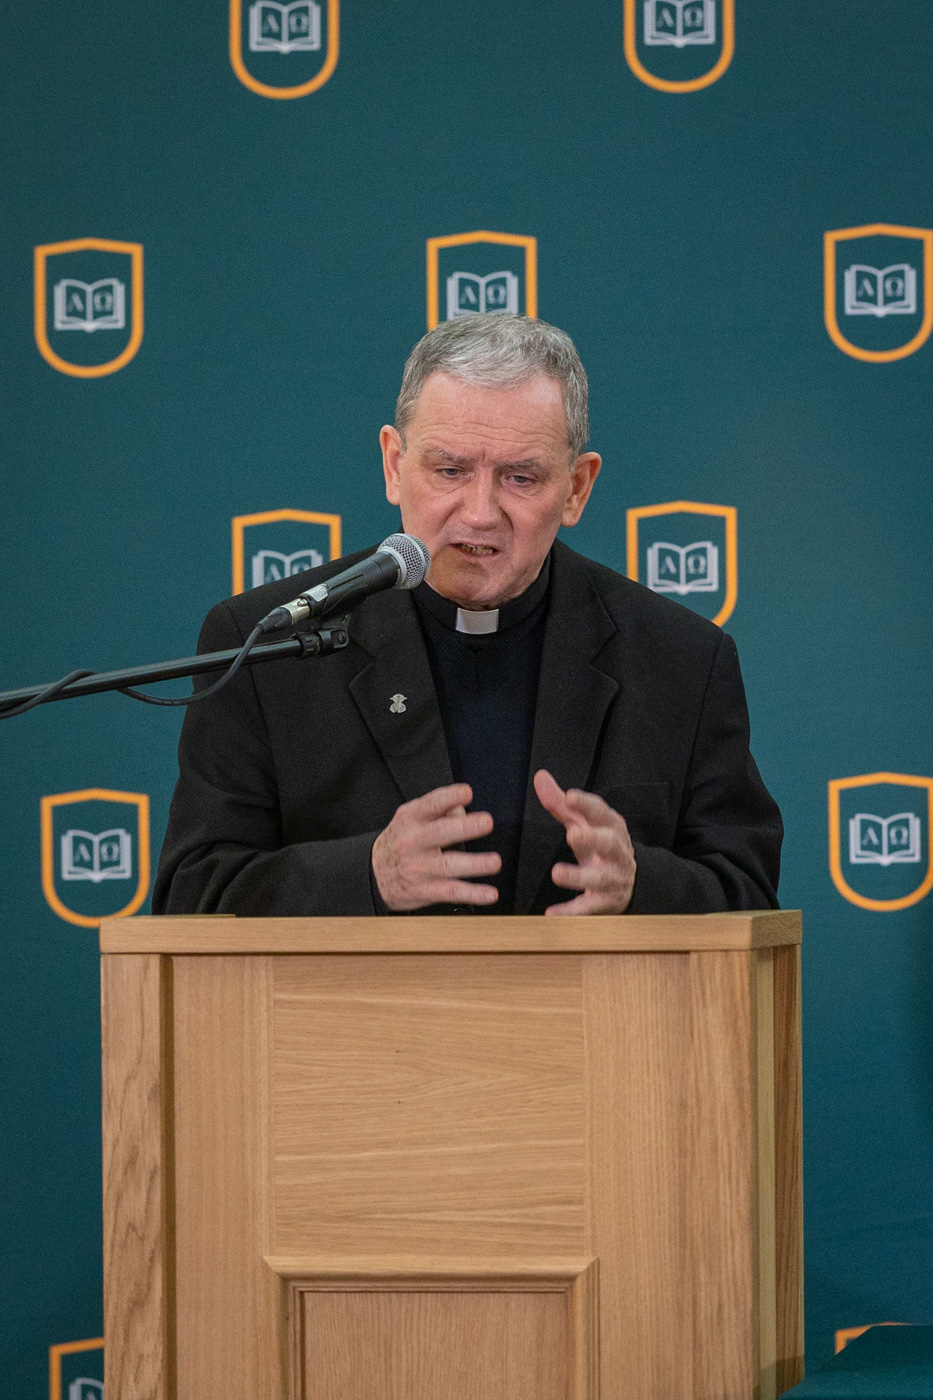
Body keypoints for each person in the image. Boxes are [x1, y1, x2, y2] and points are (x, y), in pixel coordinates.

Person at [153, 315, 781, 917]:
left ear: (576, 488)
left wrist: (641, 885)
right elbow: (193, 892)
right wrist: (367, 876)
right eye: (450, 470)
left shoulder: (680, 660)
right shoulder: (265, 646)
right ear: (395, 465)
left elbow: (749, 895)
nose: (479, 513)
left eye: (520, 478)